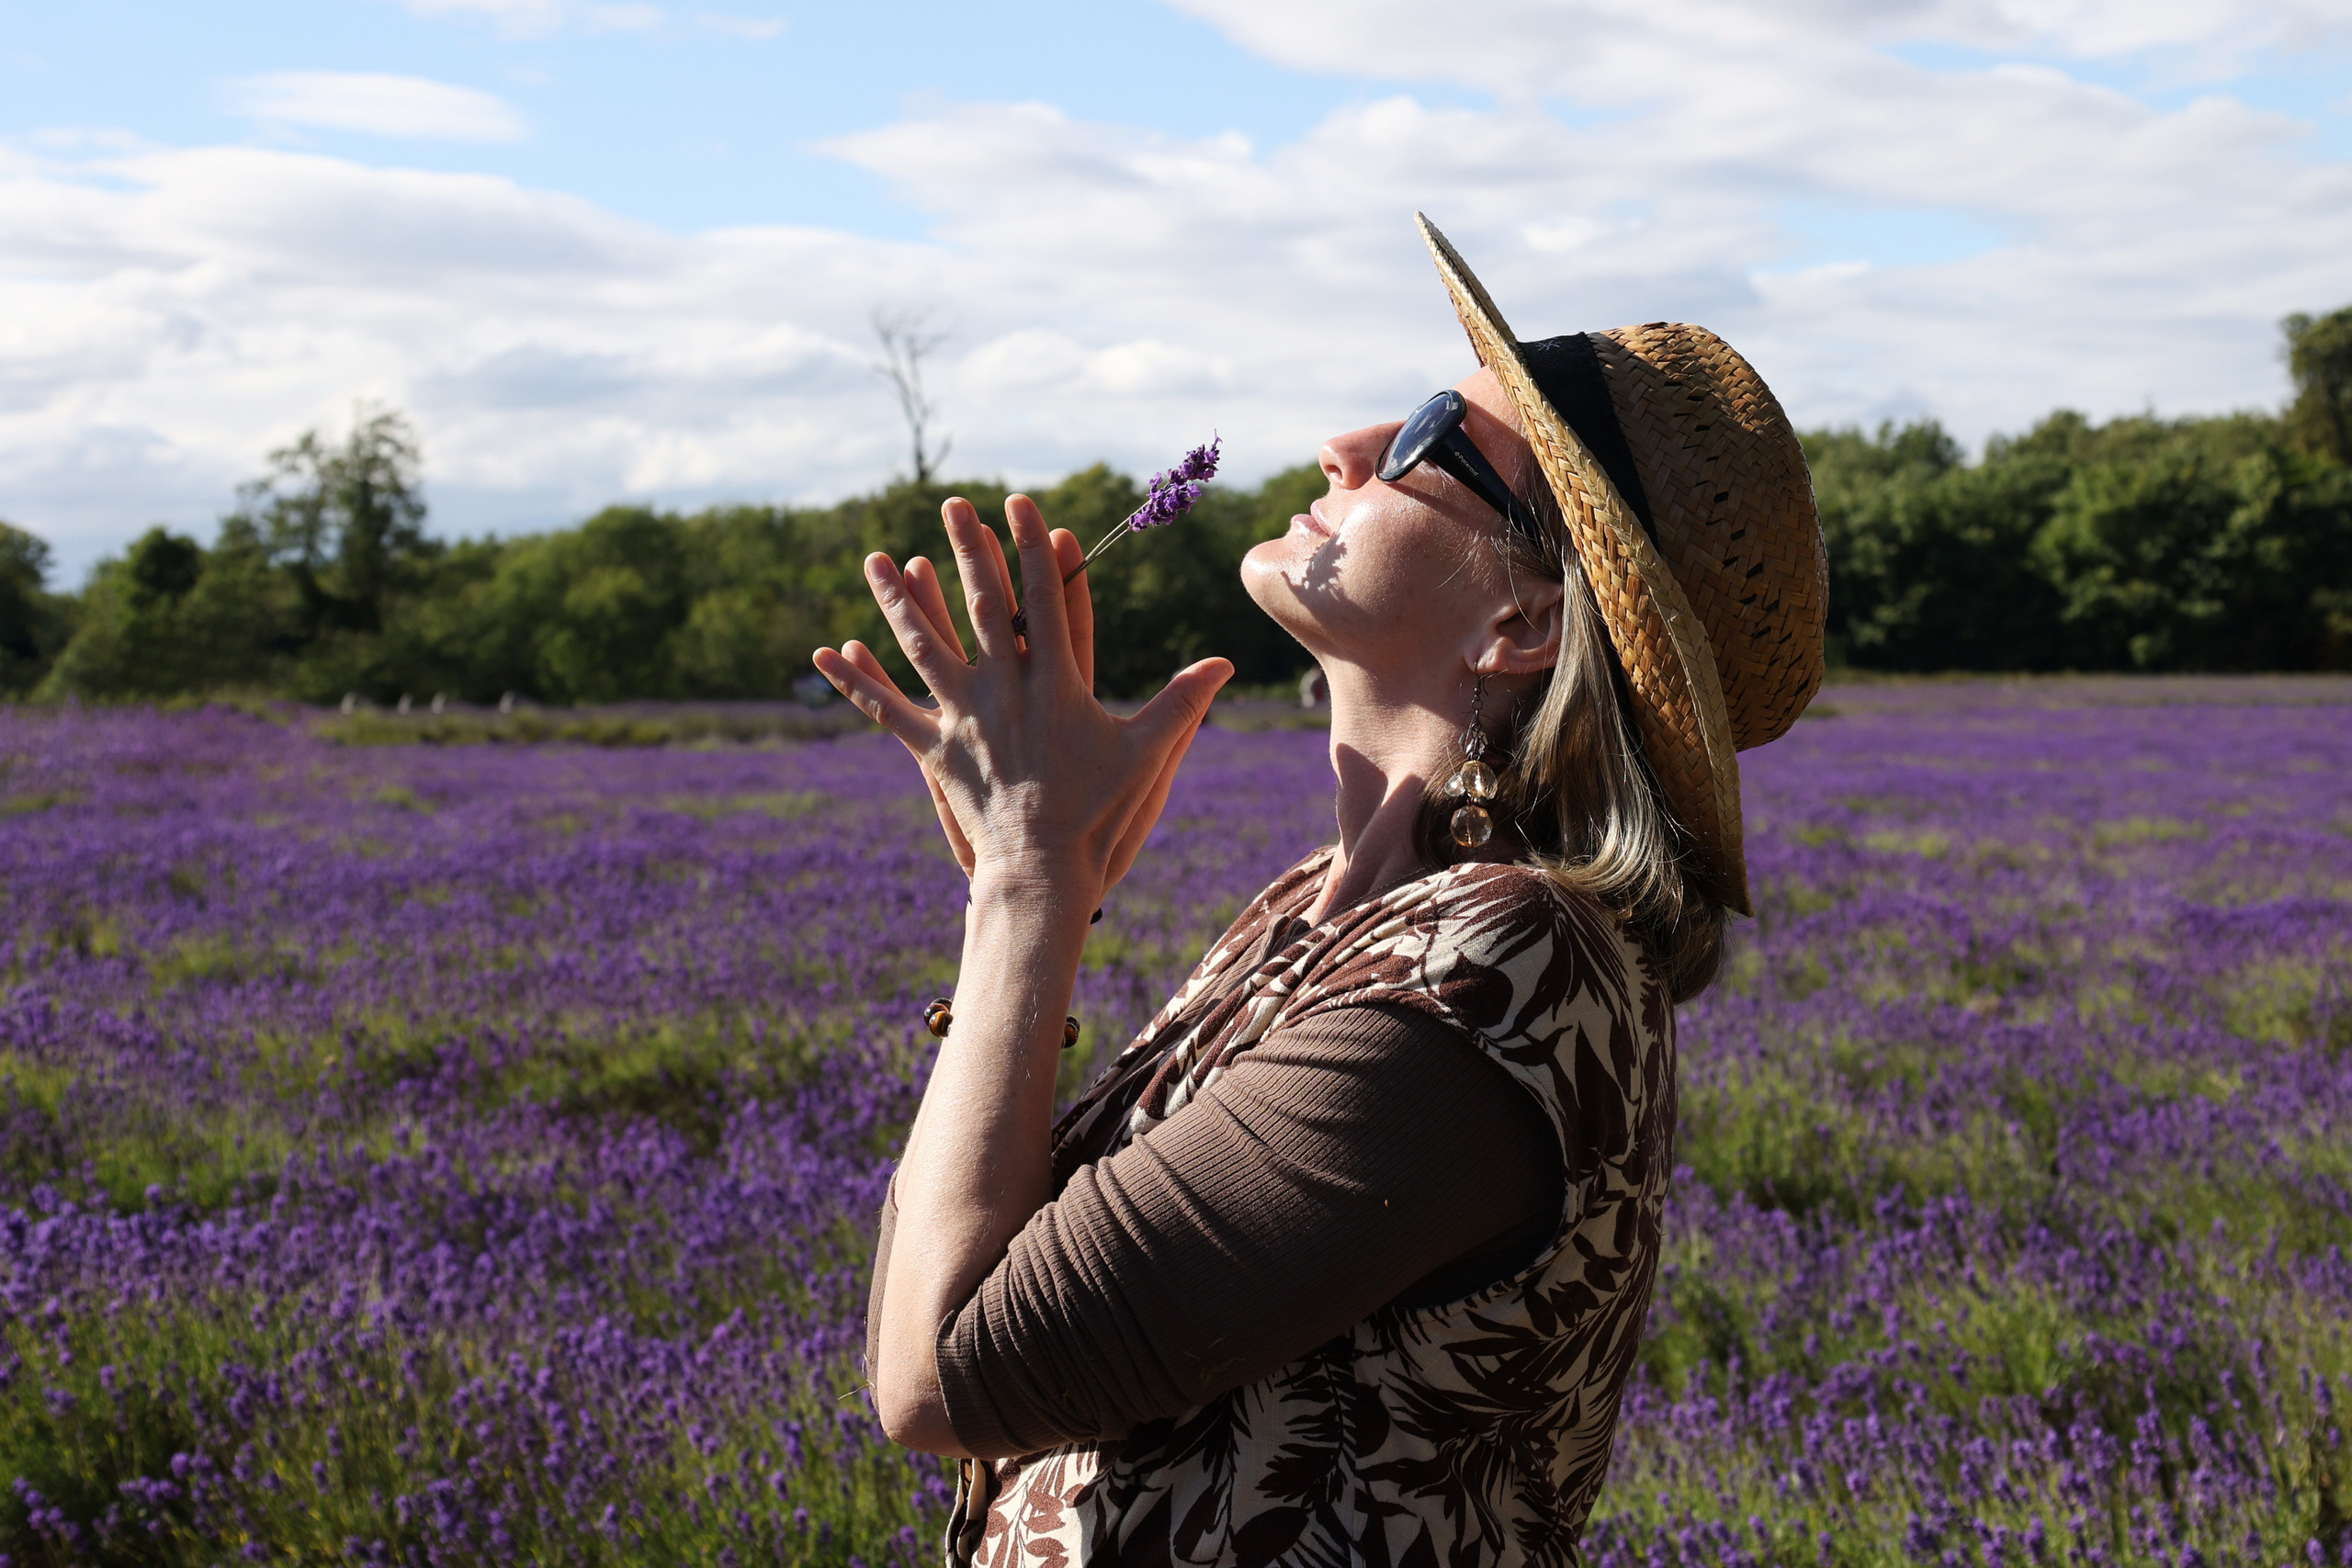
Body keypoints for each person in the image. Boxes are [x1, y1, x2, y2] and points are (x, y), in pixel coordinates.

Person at [812, 214, 1827, 1568]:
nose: (1346, 445)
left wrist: (1026, 885)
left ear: (1523, 622)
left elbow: (941, 1378)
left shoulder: (1499, 970)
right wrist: (1039, 885)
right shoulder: (1312, 910)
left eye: (1427, 438)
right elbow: (960, 1286)